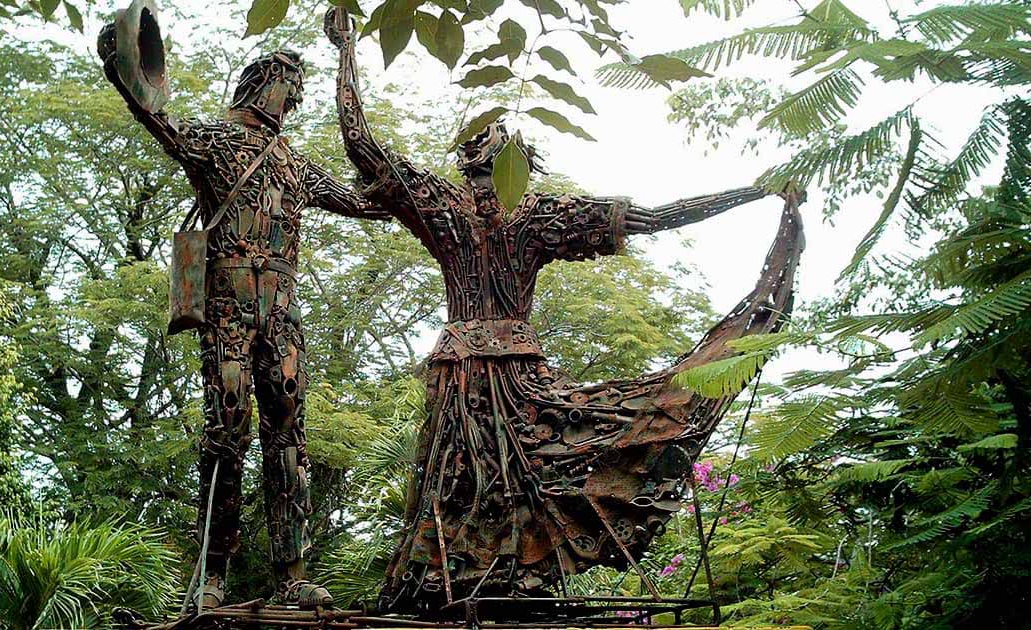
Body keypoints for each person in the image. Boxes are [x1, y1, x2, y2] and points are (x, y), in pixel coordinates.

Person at [324, 7, 805, 612]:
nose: (480, 146)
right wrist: (345, 50)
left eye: (491, 139)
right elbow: (362, 146)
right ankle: (472, 583)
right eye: (476, 141)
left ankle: (499, 583)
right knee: (465, 479)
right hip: (476, 376)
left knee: (512, 468)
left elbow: (651, 218)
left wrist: (755, 191)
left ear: (514, 156)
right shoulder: (464, 208)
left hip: (484, 373)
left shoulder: (517, 215)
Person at [99, 12, 387, 609]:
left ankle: (291, 575)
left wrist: (348, 65)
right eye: (291, 86)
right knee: (225, 431)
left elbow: (361, 202)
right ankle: (210, 576)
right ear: (265, 83)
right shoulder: (220, 140)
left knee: (288, 436)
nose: (296, 100)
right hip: (229, 306)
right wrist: (128, 63)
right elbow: (161, 119)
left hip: (281, 308)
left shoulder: (292, 162)